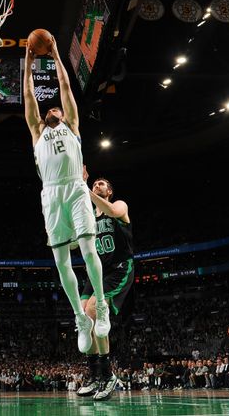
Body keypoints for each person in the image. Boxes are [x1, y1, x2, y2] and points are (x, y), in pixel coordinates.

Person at [22, 35, 110, 355]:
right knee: (61, 262)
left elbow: (65, 86)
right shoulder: (36, 131)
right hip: (51, 195)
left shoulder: (72, 125)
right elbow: (29, 93)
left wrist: (57, 54)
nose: (52, 108)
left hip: (74, 187)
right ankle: (79, 317)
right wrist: (29, 62)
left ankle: (100, 306)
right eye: (50, 108)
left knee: (88, 249)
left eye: (56, 106)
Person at [76, 172, 133, 401]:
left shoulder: (119, 205)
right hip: (96, 273)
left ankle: (108, 375)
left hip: (118, 268)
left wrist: (84, 189)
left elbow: (112, 211)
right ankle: (95, 375)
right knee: (82, 317)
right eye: (94, 183)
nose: (97, 185)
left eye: (101, 184)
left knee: (93, 309)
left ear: (108, 191)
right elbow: (74, 244)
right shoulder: (89, 217)